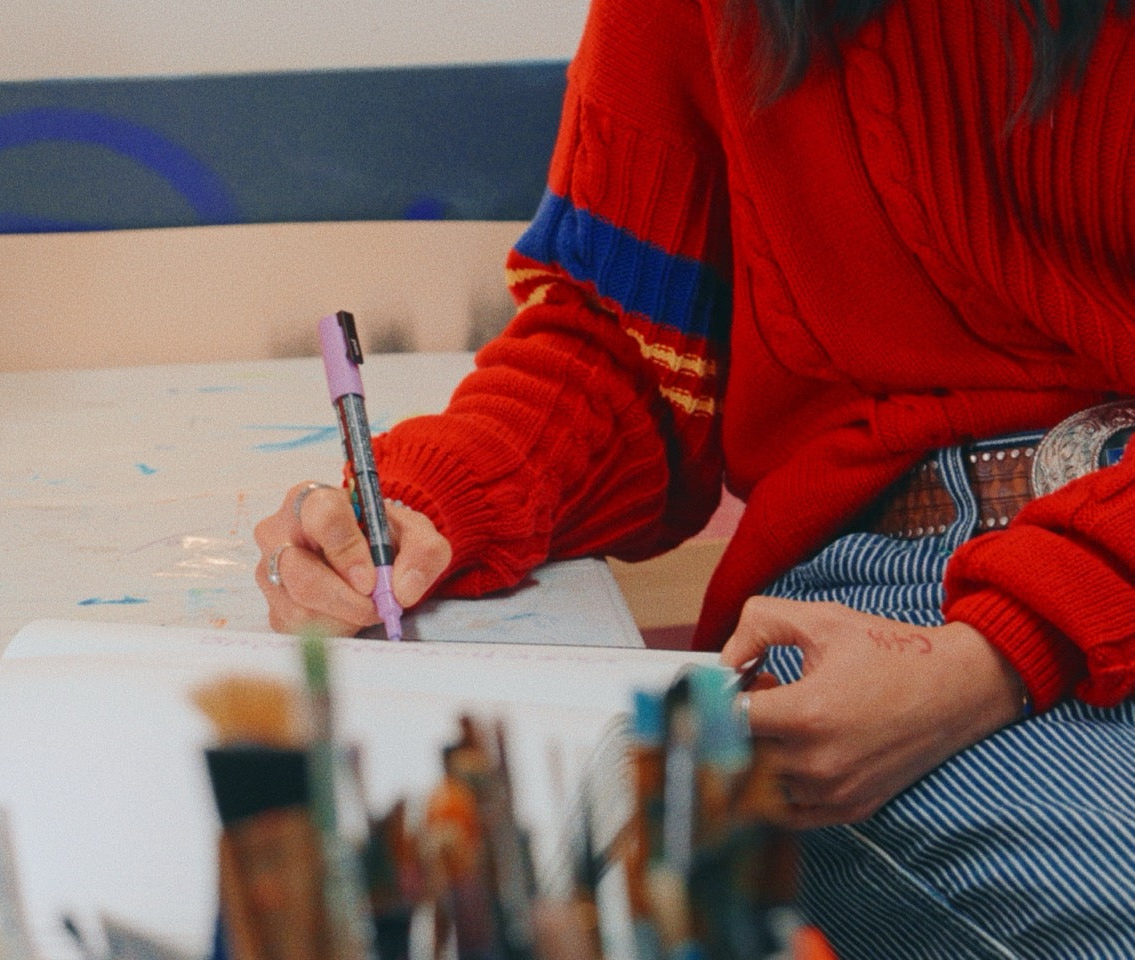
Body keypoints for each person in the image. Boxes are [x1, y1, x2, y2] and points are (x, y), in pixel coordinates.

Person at [253, 0, 1135, 955]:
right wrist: (434, 499)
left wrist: (1005, 649)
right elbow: (625, 344)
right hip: (897, 593)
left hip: (1018, 615)